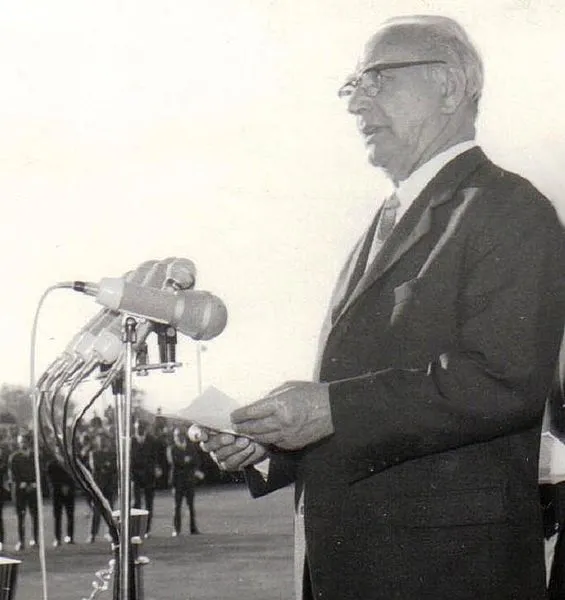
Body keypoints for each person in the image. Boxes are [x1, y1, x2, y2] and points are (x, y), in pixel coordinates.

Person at [199, 14, 565, 600]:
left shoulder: (510, 210)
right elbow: (365, 403)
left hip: (450, 576)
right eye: (352, 86)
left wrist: (331, 408)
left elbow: (503, 380)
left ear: (449, 85)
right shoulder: (387, 221)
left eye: (376, 79)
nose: (354, 103)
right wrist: (272, 445)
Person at [166, 426, 204, 536]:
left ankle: (193, 528)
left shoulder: (190, 447)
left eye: (178, 435)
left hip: (189, 480)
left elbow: (196, 461)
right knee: (177, 506)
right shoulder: (172, 449)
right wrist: (186, 461)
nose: (176, 438)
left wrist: (185, 461)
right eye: (175, 436)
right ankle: (176, 529)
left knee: (191, 506)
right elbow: (175, 462)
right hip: (177, 481)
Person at [8, 432, 39, 552]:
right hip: (20, 490)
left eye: (24, 441)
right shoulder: (14, 457)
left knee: (34, 515)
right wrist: (24, 484)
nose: (22, 444)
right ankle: (21, 541)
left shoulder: (34, 456)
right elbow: (13, 474)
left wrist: (33, 483)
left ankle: (35, 539)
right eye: (20, 441)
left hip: (33, 489)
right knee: (21, 516)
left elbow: (39, 470)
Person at [131, 419, 161, 537]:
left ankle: (146, 530)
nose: (140, 429)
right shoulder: (131, 441)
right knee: (136, 503)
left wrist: (156, 468)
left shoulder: (151, 441)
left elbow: (155, 457)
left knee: (149, 504)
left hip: (149, 475)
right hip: (136, 475)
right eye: (138, 427)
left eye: (142, 427)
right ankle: (135, 529)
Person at [87, 432, 118, 543]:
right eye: (100, 440)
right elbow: (96, 466)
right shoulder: (94, 453)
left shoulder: (113, 454)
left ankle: (110, 533)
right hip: (98, 487)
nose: (103, 442)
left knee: (110, 512)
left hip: (109, 486)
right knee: (96, 512)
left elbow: (114, 467)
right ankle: (93, 534)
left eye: (105, 440)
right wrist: (106, 466)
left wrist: (106, 467)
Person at [46, 453, 76, 547]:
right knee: (57, 516)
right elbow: (50, 478)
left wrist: (68, 486)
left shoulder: (70, 462)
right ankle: (57, 538)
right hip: (57, 492)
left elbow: (73, 476)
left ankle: (70, 536)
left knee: (70, 515)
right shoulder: (51, 464)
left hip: (69, 492)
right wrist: (60, 486)